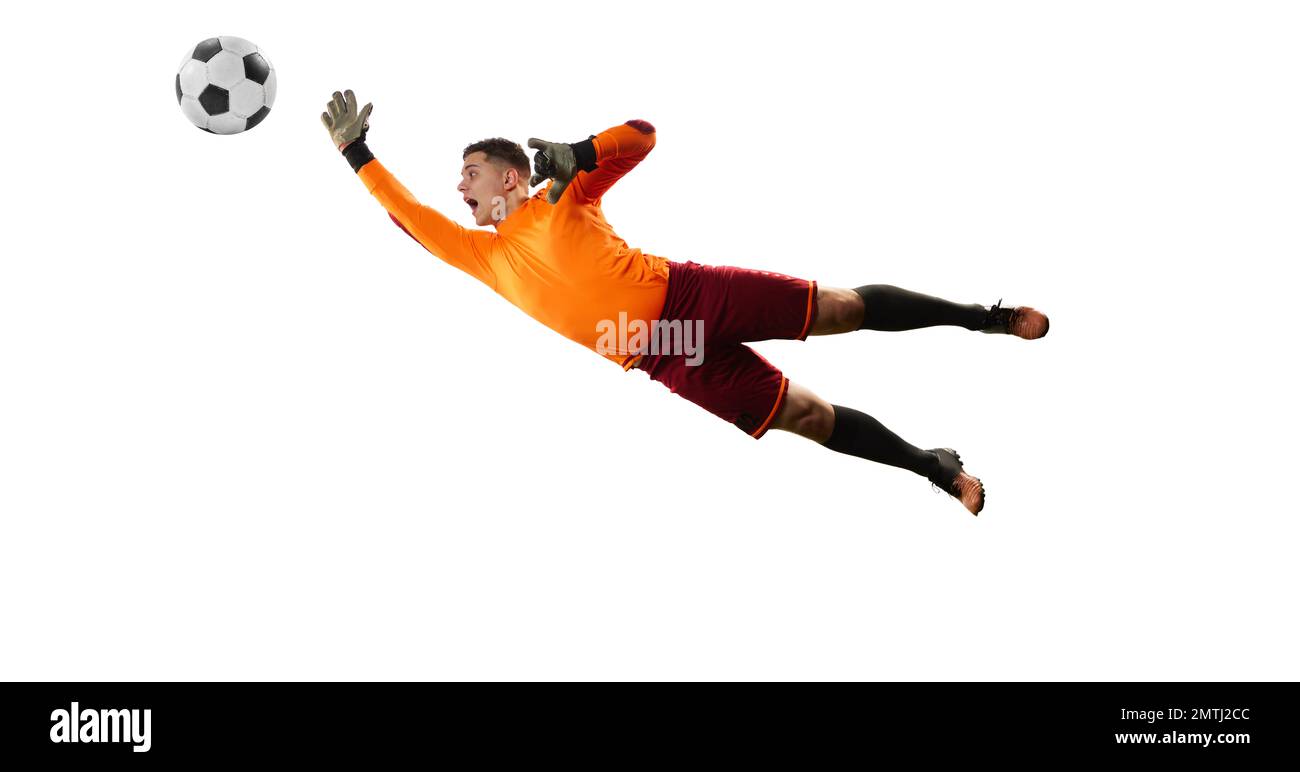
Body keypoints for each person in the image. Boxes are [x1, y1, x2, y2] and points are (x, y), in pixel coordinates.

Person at [321, 90, 1050, 515]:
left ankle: (983, 317)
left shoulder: (559, 195)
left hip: (692, 296)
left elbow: (642, 136)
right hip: (666, 357)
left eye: (471, 173)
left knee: (840, 310)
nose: (460, 188)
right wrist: (358, 155)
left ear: (512, 177)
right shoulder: (482, 255)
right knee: (806, 416)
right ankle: (933, 466)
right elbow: (412, 217)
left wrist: (580, 149)